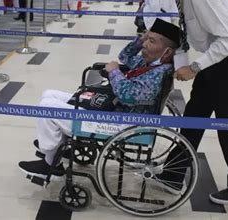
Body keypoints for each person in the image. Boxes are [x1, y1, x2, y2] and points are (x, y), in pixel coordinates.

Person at [136, 0, 228, 204]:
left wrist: (195, 67)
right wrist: (174, 56)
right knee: (193, 116)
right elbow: (187, 29)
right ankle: (173, 174)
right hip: (217, 62)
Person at [18, 18, 181, 178]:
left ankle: (51, 163)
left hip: (121, 123)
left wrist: (114, 72)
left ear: (167, 52)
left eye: (151, 41)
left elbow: (128, 95)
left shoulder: (157, 75)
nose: (145, 44)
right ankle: (54, 147)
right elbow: (125, 56)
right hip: (114, 109)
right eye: (147, 39)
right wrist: (141, 39)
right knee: (49, 94)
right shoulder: (151, 64)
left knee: (48, 107)